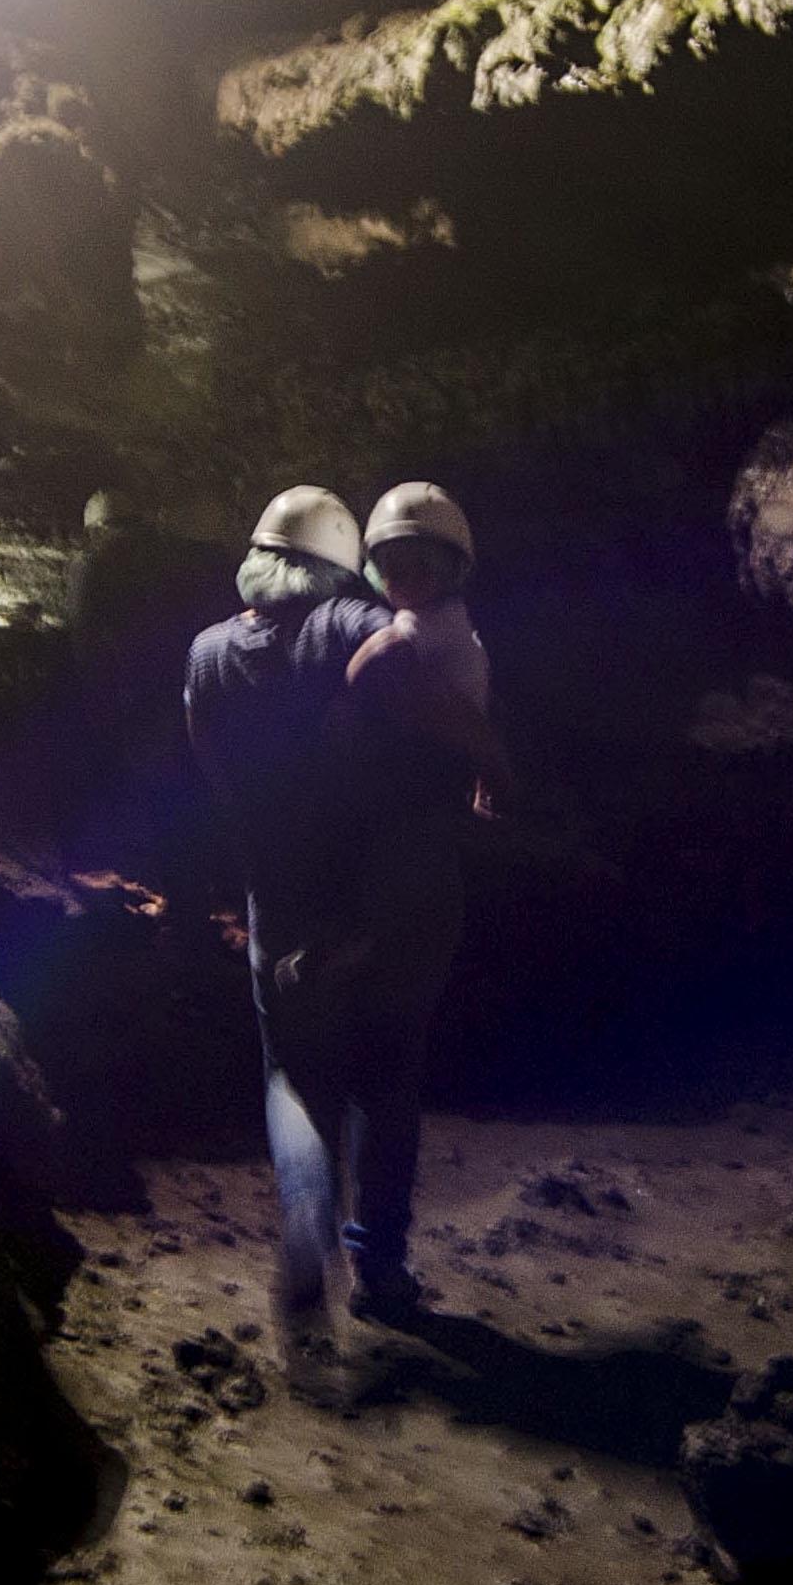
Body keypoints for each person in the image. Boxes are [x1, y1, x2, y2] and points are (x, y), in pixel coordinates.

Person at [183, 486, 389, 1341]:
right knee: (377, 1071)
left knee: (290, 1075)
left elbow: (206, 755)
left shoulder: (207, 650)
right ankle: (380, 1250)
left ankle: (307, 1224)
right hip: (363, 885)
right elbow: (406, 646)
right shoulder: (340, 622)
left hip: (275, 886)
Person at [324, 480, 510, 1320]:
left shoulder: (428, 637)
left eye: (418, 559)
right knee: (383, 1069)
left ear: (453, 564)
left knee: (380, 1066)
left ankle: (368, 1250)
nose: (402, 571)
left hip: (399, 864)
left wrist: (489, 767)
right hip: (393, 866)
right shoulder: (431, 633)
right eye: (390, 560)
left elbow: (410, 690)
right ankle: (373, 1255)